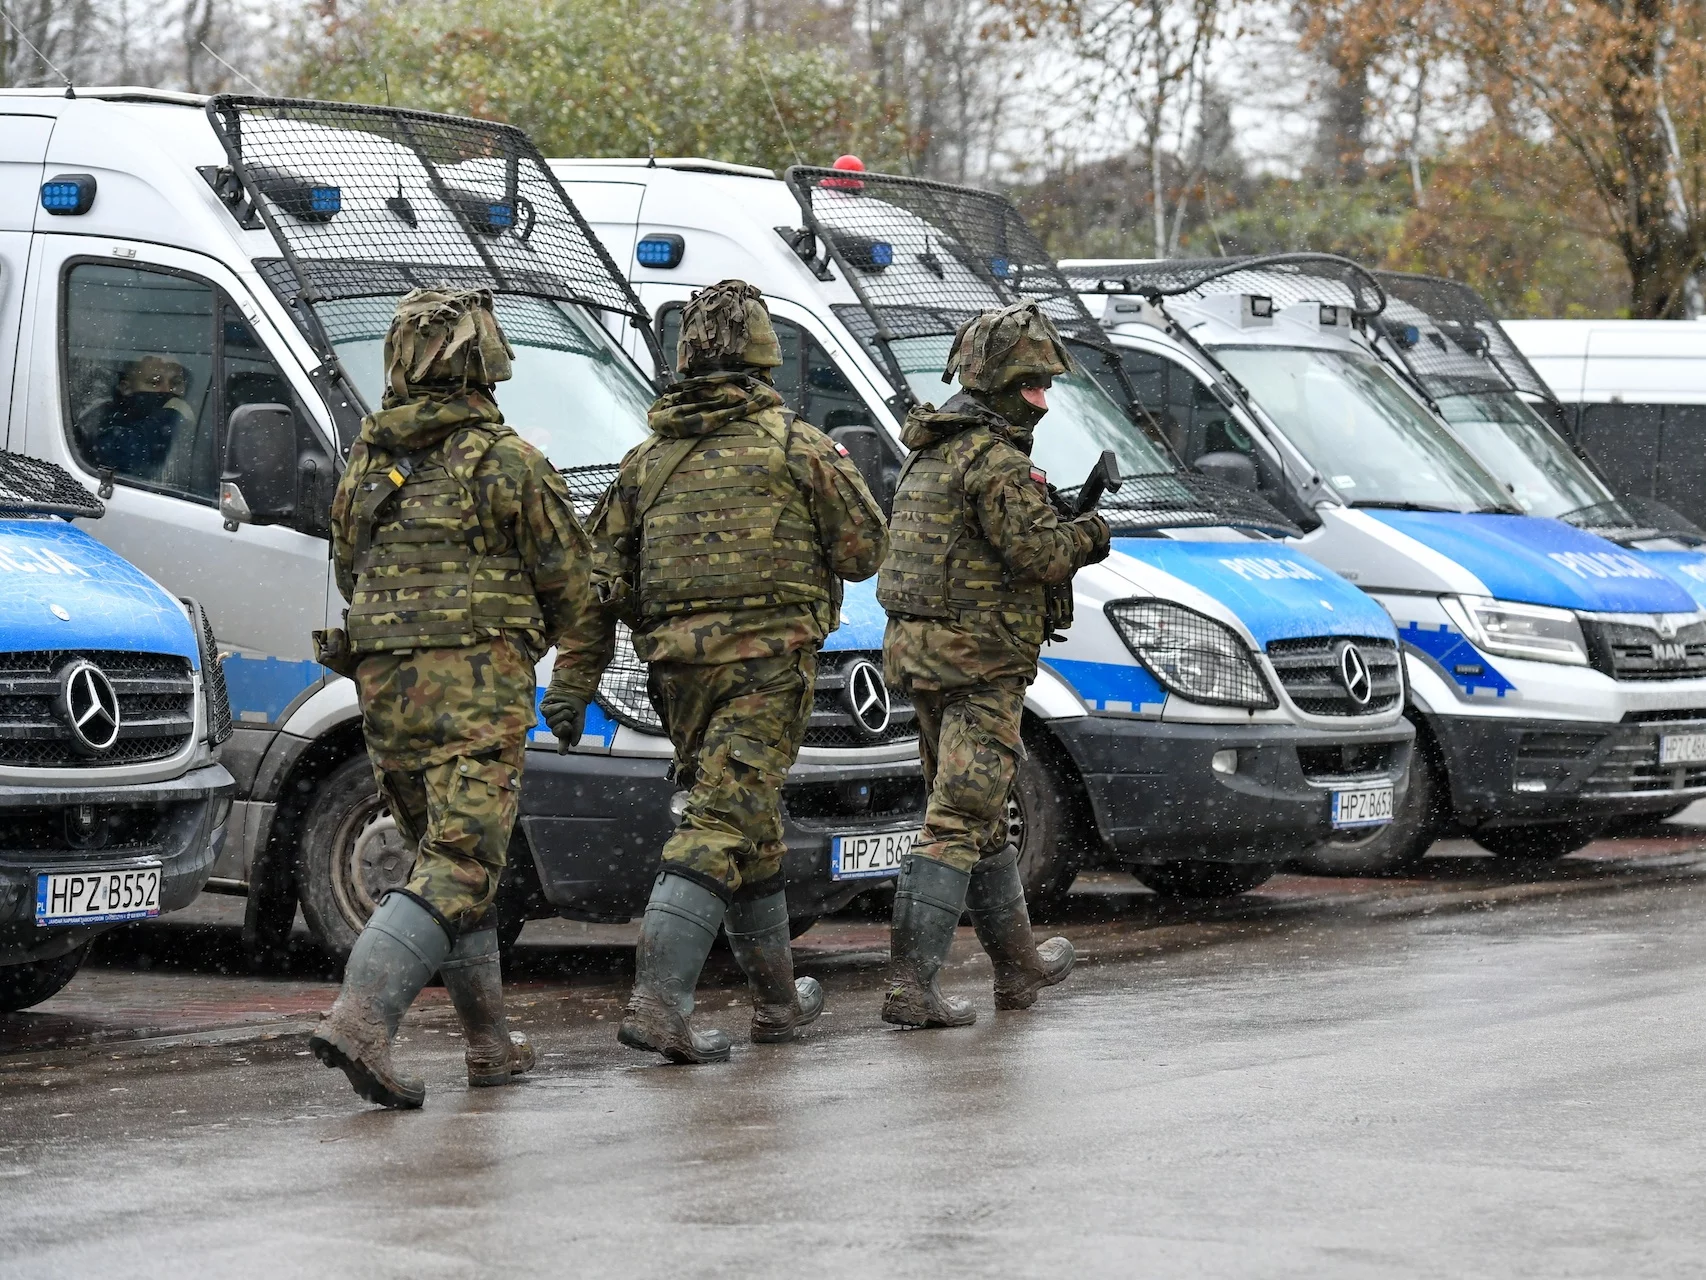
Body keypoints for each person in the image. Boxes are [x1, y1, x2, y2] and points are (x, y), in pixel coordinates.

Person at [545, 279, 888, 1064]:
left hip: (678, 680)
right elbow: (865, 552)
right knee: (720, 825)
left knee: (751, 828)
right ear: (765, 358)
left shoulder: (646, 464)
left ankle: (776, 1002)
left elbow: (596, 588)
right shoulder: (799, 448)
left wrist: (572, 686)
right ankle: (659, 1005)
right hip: (765, 675)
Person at [309, 287, 600, 1109]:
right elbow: (575, 596)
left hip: (386, 693)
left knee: (447, 854)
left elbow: (350, 574)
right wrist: (572, 690)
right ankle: (362, 1019)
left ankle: (488, 1044)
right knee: (463, 861)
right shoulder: (510, 463)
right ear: (485, 361)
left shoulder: (369, 465)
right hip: (476, 693)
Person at [876, 300, 1111, 1028]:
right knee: (957, 817)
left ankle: (1018, 965)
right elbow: (1037, 554)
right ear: (1004, 384)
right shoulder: (996, 462)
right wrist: (1090, 533)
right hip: (978, 665)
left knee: (977, 815)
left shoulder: (933, 448)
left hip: (924, 658)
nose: (1043, 399)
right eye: (1035, 385)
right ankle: (911, 988)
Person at [80, 355, 197, 479]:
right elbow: (125, 453)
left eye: (176, 382)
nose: (167, 390)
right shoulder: (100, 420)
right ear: (126, 388)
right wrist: (171, 417)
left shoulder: (198, 420)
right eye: (155, 382)